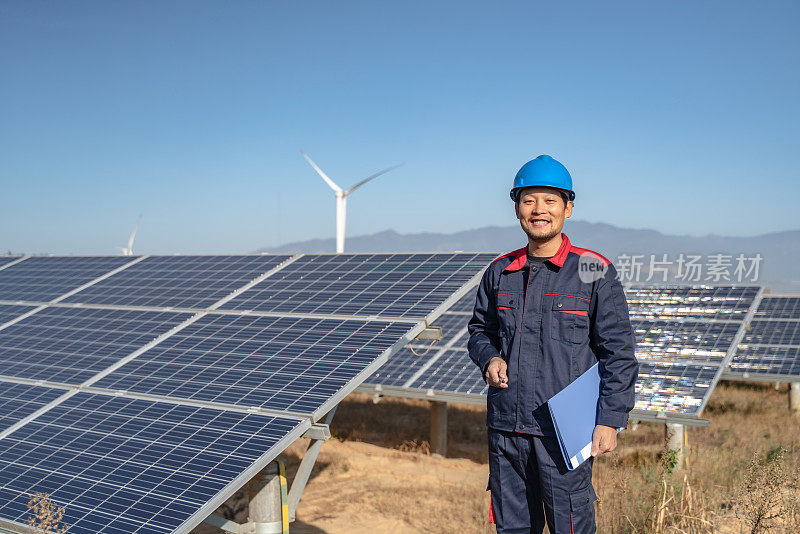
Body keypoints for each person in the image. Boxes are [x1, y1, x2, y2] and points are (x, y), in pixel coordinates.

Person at [468, 155, 639, 533]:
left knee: (570, 525)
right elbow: (480, 330)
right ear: (517, 208)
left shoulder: (593, 269)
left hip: (564, 430)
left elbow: (619, 354)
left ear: (568, 208)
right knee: (512, 527)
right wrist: (489, 358)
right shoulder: (500, 271)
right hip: (506, 427)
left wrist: (610, 420)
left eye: (550, 201)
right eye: (529, 201)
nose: (539, 210)